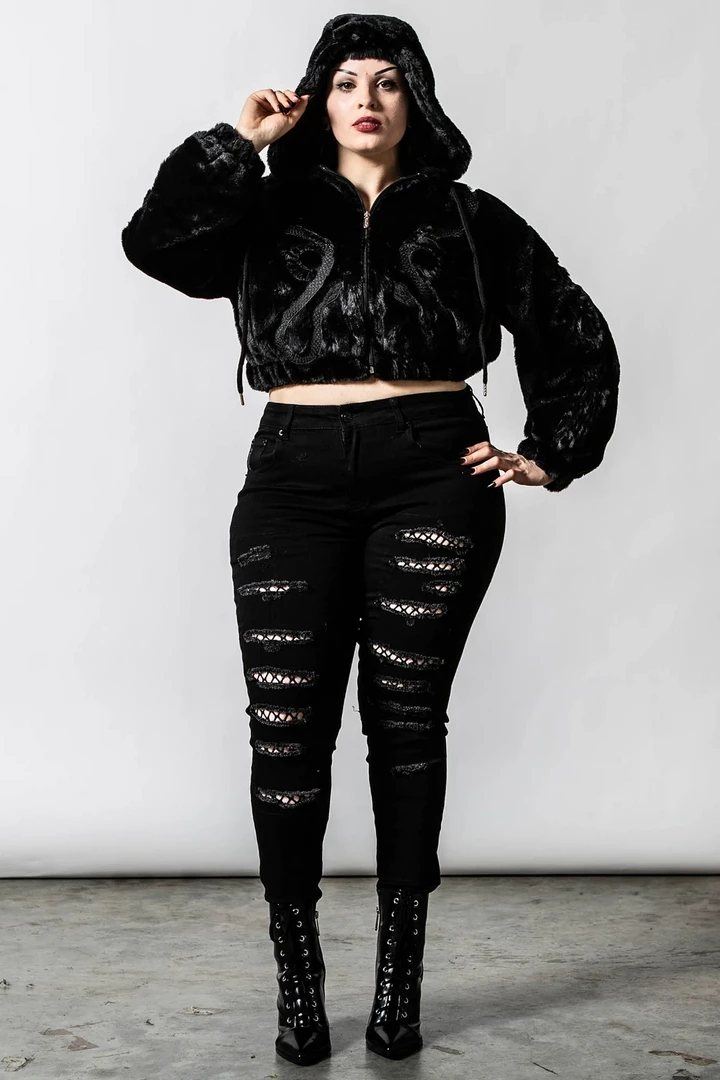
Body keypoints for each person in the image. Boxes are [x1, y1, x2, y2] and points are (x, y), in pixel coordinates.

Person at [121, 12, 620, 1067]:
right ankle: (298, 979)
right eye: (345, 80)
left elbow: (566, 320)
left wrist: (551, 449)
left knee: (406, 724)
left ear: (415, 99)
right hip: (292, 478)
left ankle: (400, 985)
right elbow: (154, 245)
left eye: (388, 80)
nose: (366, 97)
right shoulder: (261, 209)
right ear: (317, 97)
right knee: (284, 729)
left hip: (434, 470)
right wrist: (238, 142)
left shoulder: (470, 218)